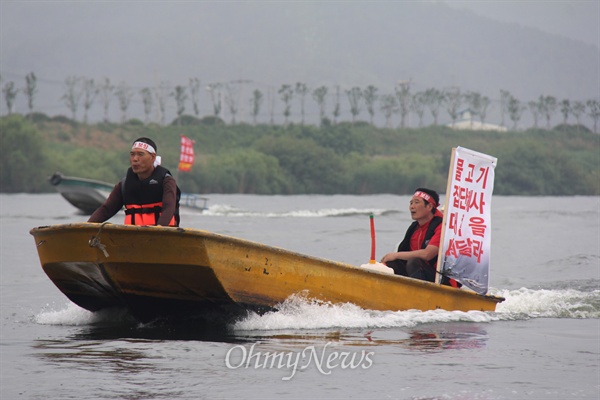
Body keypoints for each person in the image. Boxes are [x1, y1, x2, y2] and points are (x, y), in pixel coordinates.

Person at [88, 137, 181, 226]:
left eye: (140, 154)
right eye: (132, 154)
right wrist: (86, 227)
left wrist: (158, 232)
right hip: (133, 238)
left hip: (162, 237)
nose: (135, 159)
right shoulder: (124, 184)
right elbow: (106, 210)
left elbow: (169, 208)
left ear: (153, 157)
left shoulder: (167, 181)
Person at [380, 188, 449, 284]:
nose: (412, 207)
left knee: (414, 262)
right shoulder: (414, 228)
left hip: (441, 279)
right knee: (392, 264)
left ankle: (420, 295)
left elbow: (427, 254)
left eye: (416, 202)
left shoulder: (443, 227)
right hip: (419, 273)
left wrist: (395, 255)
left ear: (429, 206)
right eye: (411, 203)